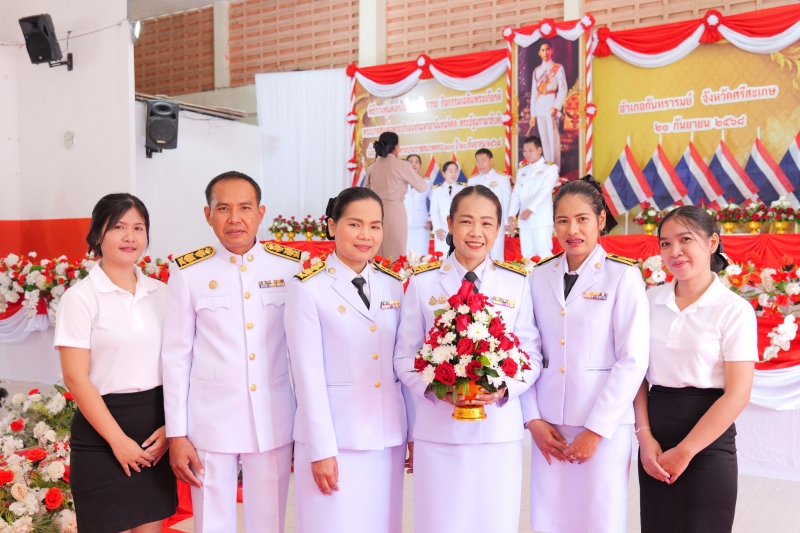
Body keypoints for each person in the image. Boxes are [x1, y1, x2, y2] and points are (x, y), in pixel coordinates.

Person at [394, 185, 542, 533]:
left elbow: (532, 355)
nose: (476, 232)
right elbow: (404, 357)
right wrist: (438, 388)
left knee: (495, 521)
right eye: (466, 221)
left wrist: (502, 388)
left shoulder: (517, 283)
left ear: (498, 228)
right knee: (440, 522)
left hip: (498, 431)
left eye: (486, 223)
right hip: (439, 430)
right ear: (449, 224)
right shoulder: (423, 282)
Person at [162, 171, 301, 532]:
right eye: (223, 208)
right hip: (210, 422)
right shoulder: (188, 271)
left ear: (261, 213)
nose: (234, 218)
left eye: (245, 207)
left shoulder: (291, 267)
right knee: (211, 522)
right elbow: (176, 357)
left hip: (272, 416)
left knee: (269, 522)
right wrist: (177, 433)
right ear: (208, 215)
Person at [521, 177, 649, 533]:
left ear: (601, 220)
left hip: (602, 425)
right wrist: (532, 420)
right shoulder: (539, 276)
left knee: (599, 516)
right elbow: (527, 351)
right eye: (562, 220)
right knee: (549, 516)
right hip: (549, 427)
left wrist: (596, 430)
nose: (572, 230)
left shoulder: (622, 276)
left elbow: (633, 359)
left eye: (582, 219)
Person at [285, 187, 413, 533]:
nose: (365, 235)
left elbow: (404, 364)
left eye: (375, 226)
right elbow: (306, 376)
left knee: (382, 525)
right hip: (336, 440)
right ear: (331, 226)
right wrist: (320, 449)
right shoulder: (307, 288)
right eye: (355, 224)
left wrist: (412, 433)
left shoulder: (392, 285)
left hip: (387, 436)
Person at [55, 193, 177, 533]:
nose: (130, 237)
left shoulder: (163, 293)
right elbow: (75, 378)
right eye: (119, 227)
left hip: (156, 433)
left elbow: (179, 365)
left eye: (138, 228)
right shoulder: (80, 298)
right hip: (102, 433)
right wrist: (118, 441)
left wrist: (172, 427)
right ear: (98, 235)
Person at [635, 206, 757, 533]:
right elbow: (635, 374)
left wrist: (685, 451)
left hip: (708, 440)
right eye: (665, 243)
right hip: (655, 438)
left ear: (712, 242)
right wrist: (644, 438)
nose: (674, 251)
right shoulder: (647, 301)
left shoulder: (734, 310)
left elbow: (738, 394)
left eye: (685, 239)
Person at [365, 132, 428, 260]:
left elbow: (366, 193)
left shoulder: (372, 168)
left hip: (374, 210)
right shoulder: (402, 165)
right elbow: (422, 187)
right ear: (396, 147)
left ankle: (374, 271)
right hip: (395, 209)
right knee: (395, 248)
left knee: (376, 246)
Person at [508, 136, 560, 259]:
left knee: (544, 256)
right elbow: (516, 194)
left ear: (539, 150)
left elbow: (544, 192)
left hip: (541, 219)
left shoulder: (550, 168)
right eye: (525, 151)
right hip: (524, 222)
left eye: (530, 150)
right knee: (527, 257)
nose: (527, 154)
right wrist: (511, 214)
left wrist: (530, 209)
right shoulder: (522, 170)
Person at [527, 40, 567, 171]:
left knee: (553, 139)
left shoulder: (558, 68)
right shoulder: (536, 71)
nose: (545, 52)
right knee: (544, 139)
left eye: (547, 49)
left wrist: (556, 106)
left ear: (551, 51)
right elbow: (534, 93)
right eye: (543, 50)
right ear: (539, 53)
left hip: (551, 105)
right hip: (540, 107)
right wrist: (533, 115)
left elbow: (563, 89)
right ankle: (549, 167)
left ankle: (556, 168)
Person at [468, 148, 511, 260]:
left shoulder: (501, 178)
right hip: (477, 223)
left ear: (491, 160)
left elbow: (506, 201)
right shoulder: (472, 181)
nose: (480, 164)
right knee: (479, 251)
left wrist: (507, 222)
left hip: (495, 222)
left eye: (483, 161)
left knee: (496, 252)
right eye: (478, 161)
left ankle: (497, 271)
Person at [429, 161, 465, 256]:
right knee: (442, 256)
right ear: (444, 173)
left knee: (458, 255)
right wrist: (437, 228)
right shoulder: (437, 190)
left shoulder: (463, 190)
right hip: (442, 230)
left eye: (455, 171)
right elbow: (434, 211)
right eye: (450, 171)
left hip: (458, 229)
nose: (453, 174)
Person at [404, 154, 432, 255]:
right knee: (405, 254)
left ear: (420, 165)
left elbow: (434, 202)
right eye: (411, 161)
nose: (414, 164)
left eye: (417, 162)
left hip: (422, 224)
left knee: (421, 254)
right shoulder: (400, 182)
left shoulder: (427, 182)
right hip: (404, 224)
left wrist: (431, 219)